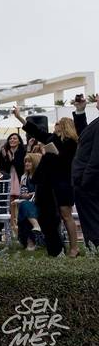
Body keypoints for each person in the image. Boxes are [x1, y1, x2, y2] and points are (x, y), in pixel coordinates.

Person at [14, 108, 79, 257]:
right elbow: (36, 131)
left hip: (64, 182)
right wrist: (20, 118)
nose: (55, 128)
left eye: (58, 126)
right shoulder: (51, 139)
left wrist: (51, 154)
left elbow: (66, 160)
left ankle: (74, 247)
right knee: (51, 216)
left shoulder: (72, 143)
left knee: (66, 214)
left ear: (65, 127)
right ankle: (58, 246)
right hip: (50, 183)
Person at [72, 95, 99, 249]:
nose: (97, 97)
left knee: (92, 222)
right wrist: (80, 111)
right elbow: (85, 136)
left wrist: (84, 179)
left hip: (90, 183)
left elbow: (96, 157)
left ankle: (95, 252)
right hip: (88, 181)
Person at [16, 153, 42, 250]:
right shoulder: (24, 177)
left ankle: (29, 242)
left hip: (40, 203)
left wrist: (30, 195)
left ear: (35, 163)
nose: (26, 164)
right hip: (29, 203)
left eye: (29, 161)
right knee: (24, 204)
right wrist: (25, 195)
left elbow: (41, 192)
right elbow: (23, 192)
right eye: (25, 161)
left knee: (24, 207)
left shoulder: (40, 176)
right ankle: (35, 227)